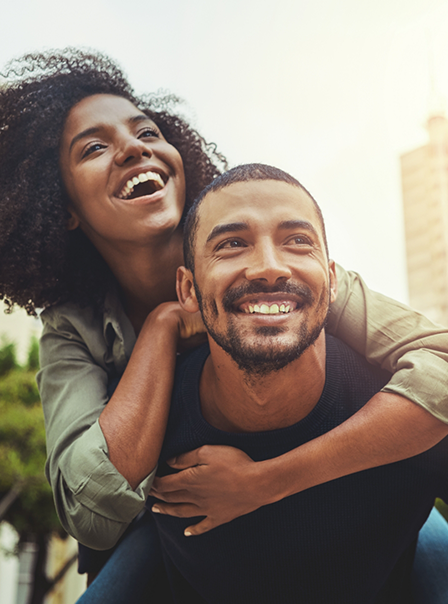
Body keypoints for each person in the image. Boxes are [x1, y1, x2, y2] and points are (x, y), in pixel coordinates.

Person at [0, 49, 448, 600]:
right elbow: (90, 506)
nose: (132, 148)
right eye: (95, 148)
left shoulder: (271, 267)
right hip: (166, 515)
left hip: (350, 489)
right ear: (63, 206)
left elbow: (440, 368)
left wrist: (267, 481)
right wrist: (163, 327)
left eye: (145, 131)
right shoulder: (72, 328)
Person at [149, 163, 448, 603]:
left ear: (331, 280)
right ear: (188, 289)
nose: (269, 268)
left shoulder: (416, 417)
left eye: (297, 241)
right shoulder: (153, 421)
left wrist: (262, 483)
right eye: (232, 244)